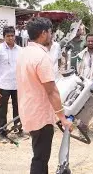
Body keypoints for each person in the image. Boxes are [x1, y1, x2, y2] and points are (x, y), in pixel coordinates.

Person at [16, 17, 73, 174]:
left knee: (38, 155)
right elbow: (51, 90)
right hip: (40, 115)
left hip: (29, 111)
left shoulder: (24, 53)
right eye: (50, 32)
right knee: (40, 159)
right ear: (43, 33)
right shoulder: (41, 57)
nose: (52, 36)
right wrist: (62, 118)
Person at [0, 26, 24, 143]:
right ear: (4, 37)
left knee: (18, 107)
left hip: (17, 84)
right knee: (2, 109)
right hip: (3, 85)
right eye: (8, 36)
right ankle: (2, 132)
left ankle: (18, 129)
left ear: (15, 36)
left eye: (12, 36)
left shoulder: (20, 50)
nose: (10, 38)